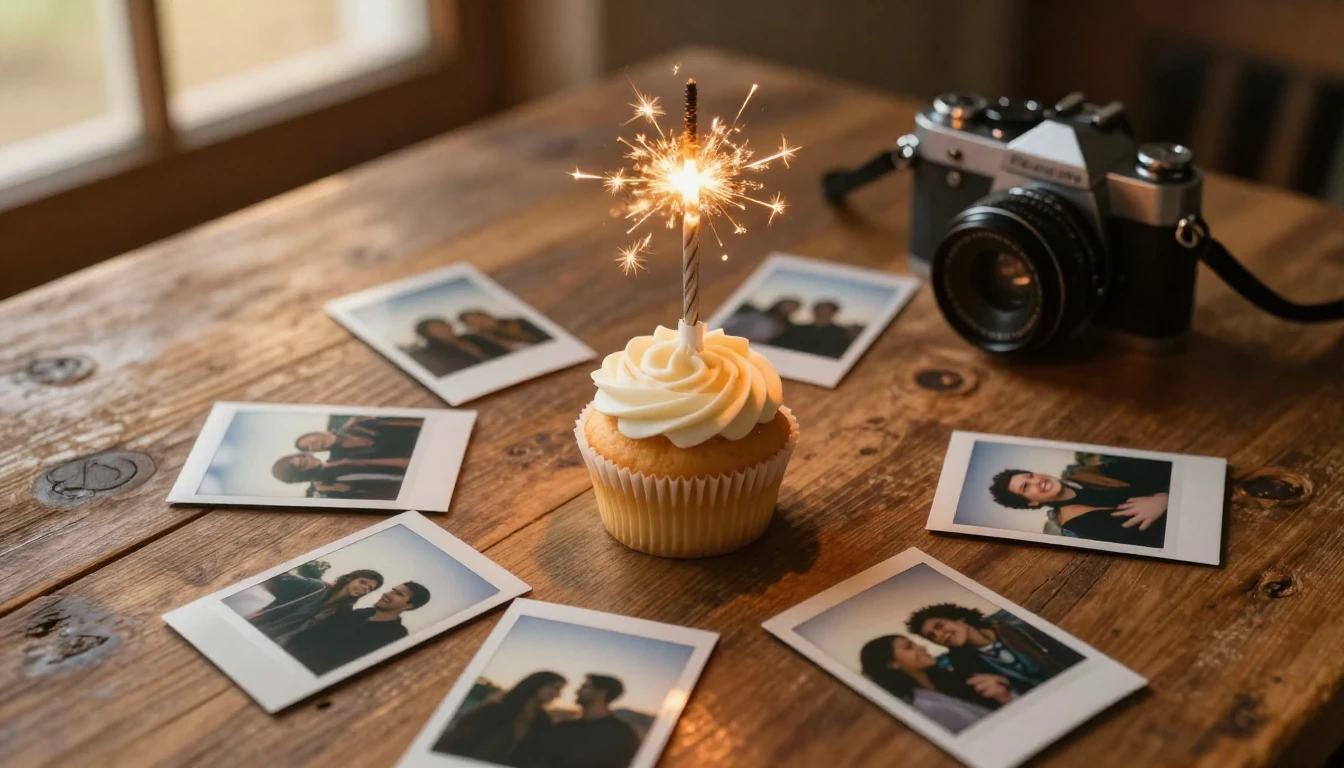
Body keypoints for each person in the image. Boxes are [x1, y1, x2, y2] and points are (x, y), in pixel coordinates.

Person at [988, 452, 1172, 548]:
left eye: (1030, 475)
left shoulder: (1088, 472)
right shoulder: (1078, 525)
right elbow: (1151, 541)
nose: (1037, 481)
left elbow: (1161, 471)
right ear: (1032, 503)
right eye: (1026, 487)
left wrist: (1164, 498)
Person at [908, 604, 1083, 695]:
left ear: (960, 619)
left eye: (939, 626)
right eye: (932, 636)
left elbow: (1070, 653)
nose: (939, 635)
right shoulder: (965, 667)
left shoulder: (1017, 627)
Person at [859, 634, 1008, 732]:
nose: (922, 647)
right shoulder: (916, 708)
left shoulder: (955, 680)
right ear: (892, 664)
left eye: (915, 644)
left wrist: (1004, 697)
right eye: (908, 647)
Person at [283, 581, 431, 675]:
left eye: (398, 594)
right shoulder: (359, 613)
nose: (387, 593)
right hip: (288, 658)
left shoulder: (396, 635)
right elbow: (314, 632)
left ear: (409, 605)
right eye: (392, 589)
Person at [431, 671, 567, 763]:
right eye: (555, 687)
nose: (558, 694)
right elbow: (454, 742)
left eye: (560, 690)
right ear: (537, 684)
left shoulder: (542, 721)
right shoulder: (495, 710)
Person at [512, 674, 641, 768]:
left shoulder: (622, 735)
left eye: (585, 687)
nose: (577, 691)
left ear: (601, 693)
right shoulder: (564, 727)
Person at [244, 568, 384, 645]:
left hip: (277, 646)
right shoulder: (316, 587)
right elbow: (275, 581)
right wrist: (263, 611)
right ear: (349, 578)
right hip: (255, 629)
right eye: (362, 582)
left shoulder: (342, 613)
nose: (365, 588)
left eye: (370, 588)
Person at [271, 453, 410, 501]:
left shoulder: (332, 463)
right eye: (302, 464)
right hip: (399, 488)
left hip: (402, 474)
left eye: (303, 457)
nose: (308, 459)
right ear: (300, 475)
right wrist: (339, 489)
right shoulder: (324, 486)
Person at [404, 317, 509, 377]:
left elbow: (503, 351)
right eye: (436, 328)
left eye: (443, 324)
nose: (443, 328)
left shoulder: (472, 337)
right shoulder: (431, 353)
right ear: (427, 334)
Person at [294, 415, 424, 461]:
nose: (315, 444)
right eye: (310, 448)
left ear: (317, 433)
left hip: (418, 431)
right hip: (416, 455)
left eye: (312, 440)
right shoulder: (340, 458)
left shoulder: (345, 421)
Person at [769, 300, 857, 359]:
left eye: (826, 310)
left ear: (833, 313)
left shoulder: (841, 333)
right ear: (813, 310)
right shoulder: (797, 329)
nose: (822, 312)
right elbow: (777, 344)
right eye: (819, 308)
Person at [460, 310, 549, 352]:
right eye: (473, 323)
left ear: (486, 315)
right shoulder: (486, 340)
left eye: (479, 319)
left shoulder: (519, 322)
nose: (480, 323)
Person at [722, 298, 801, 343]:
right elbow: (734, 328)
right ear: (780, 304)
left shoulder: (786, 325)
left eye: (794, 307)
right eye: (789, 305)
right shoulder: (757, 316)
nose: (790, 308)